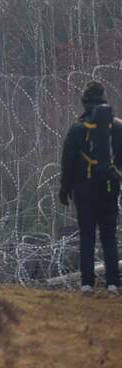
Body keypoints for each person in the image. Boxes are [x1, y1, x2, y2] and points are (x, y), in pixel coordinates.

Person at [59, 81, 122, 294]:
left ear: (85, 103)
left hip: (83, 190)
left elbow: (68, 163)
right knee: (109, 236)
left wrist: (64, 188)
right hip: (108, 189)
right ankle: (113, 284)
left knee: (87, 237)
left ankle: (87, 284)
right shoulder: (118, 127)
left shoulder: (77, 129)